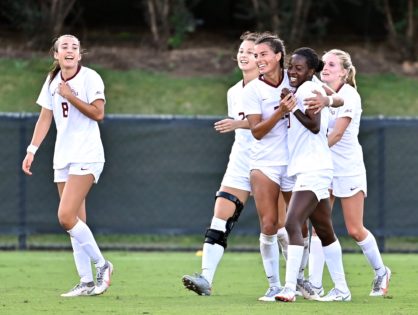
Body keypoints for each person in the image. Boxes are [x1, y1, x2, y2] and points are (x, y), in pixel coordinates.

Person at [21, 34, 113, 297]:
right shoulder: (52, 80)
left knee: (65, 217)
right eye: (65, 47)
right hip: (62, 157)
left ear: (80, 55)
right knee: (76, 222)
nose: (70, 50)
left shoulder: (90, 77)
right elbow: (44, 118)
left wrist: (70, 96)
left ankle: (103, 265)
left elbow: (98, 113)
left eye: (74, 47)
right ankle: (85, 282)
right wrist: (31, 150)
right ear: (56, 54)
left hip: (87, 155)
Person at [181, 31, 265, 296]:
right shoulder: (233, 91)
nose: (243, 55)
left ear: (262, 58)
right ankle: (205, 278)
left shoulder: (270, 87)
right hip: (240, 161)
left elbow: (269, 126)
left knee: (278, 227)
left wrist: (238, 123)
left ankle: (297, 279)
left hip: (270, 162)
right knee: (220, 216)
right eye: (241, 50)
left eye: (250, 51)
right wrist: (239, 126)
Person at [308, 49, 391, 297]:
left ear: (344, 71)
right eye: (324, 64)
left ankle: (381, 271)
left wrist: (314, 152)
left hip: (348, 168)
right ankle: (314, 284)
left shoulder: (350, 96)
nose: (326, 67)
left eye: (332, 64)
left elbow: (337, 134)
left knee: (355, 229)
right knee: (320, 226)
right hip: (325, 169)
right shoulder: (317, 92)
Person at [274, 47, 351, 303]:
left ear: (310, 70)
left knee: (291, 223)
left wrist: (291, 107)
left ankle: (288, 287)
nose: (292, 72)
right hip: (313, 167)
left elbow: (315, 126)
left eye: (298, 68)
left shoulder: (306, 90)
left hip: (313, 168)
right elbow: (336, 100)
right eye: (290, 67)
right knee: (325, 231)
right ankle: (342, 289)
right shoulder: (309, 87)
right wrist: (295, 101)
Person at [242, 32, 297, 302]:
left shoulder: (296, 80)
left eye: (263, 54)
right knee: (269, 224)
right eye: (256, 55)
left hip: (296, 163)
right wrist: (280, 111)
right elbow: (256, 131)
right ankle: (274, 285)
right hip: (264, 162)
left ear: (278, 56)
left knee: (296, 225)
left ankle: (297, 282)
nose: (258, 59)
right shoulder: (253, 89)